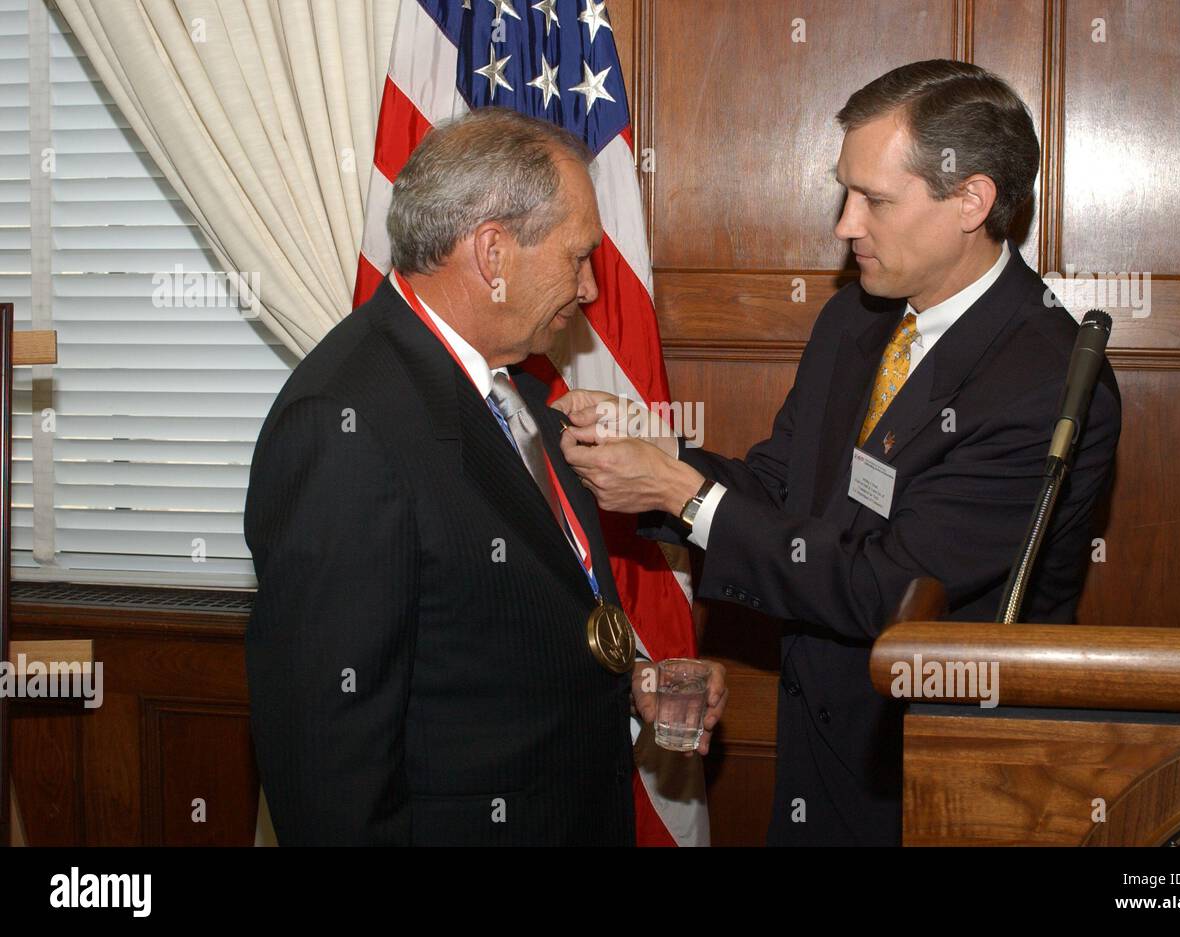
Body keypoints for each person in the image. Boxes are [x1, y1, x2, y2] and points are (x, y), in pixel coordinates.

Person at [555, 60, 1121, 846]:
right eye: (844, 191)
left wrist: (682, 491)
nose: (844, 225)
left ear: (972, 200)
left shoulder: (1045, 381)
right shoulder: (855, 320)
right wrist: (656, 460)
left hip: (935, 787)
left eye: (875, 200)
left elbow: (885, 584)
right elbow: (778, 491)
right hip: (817, 767)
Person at [244, 108, 725, 846]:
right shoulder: (344, 426)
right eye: (578, 257)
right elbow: (328, 769)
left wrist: (634, 685)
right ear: (493, 253)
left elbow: (503, 629)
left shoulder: (521, 392)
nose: (593, 288)